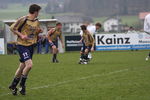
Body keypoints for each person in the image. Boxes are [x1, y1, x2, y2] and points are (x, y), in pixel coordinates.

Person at [9, 4, 42, 95]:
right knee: (29, 65)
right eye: (39, 11)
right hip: (22, 45)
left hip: (31, 45)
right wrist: (21, 35)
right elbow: (12, 28)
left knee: (22, 66)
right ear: (35, 11)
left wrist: (38, 32)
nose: (39, 13)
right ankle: (22, 86)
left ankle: (13, 85)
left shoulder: (36, 21)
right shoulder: (23, 19)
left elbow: (35, 32)